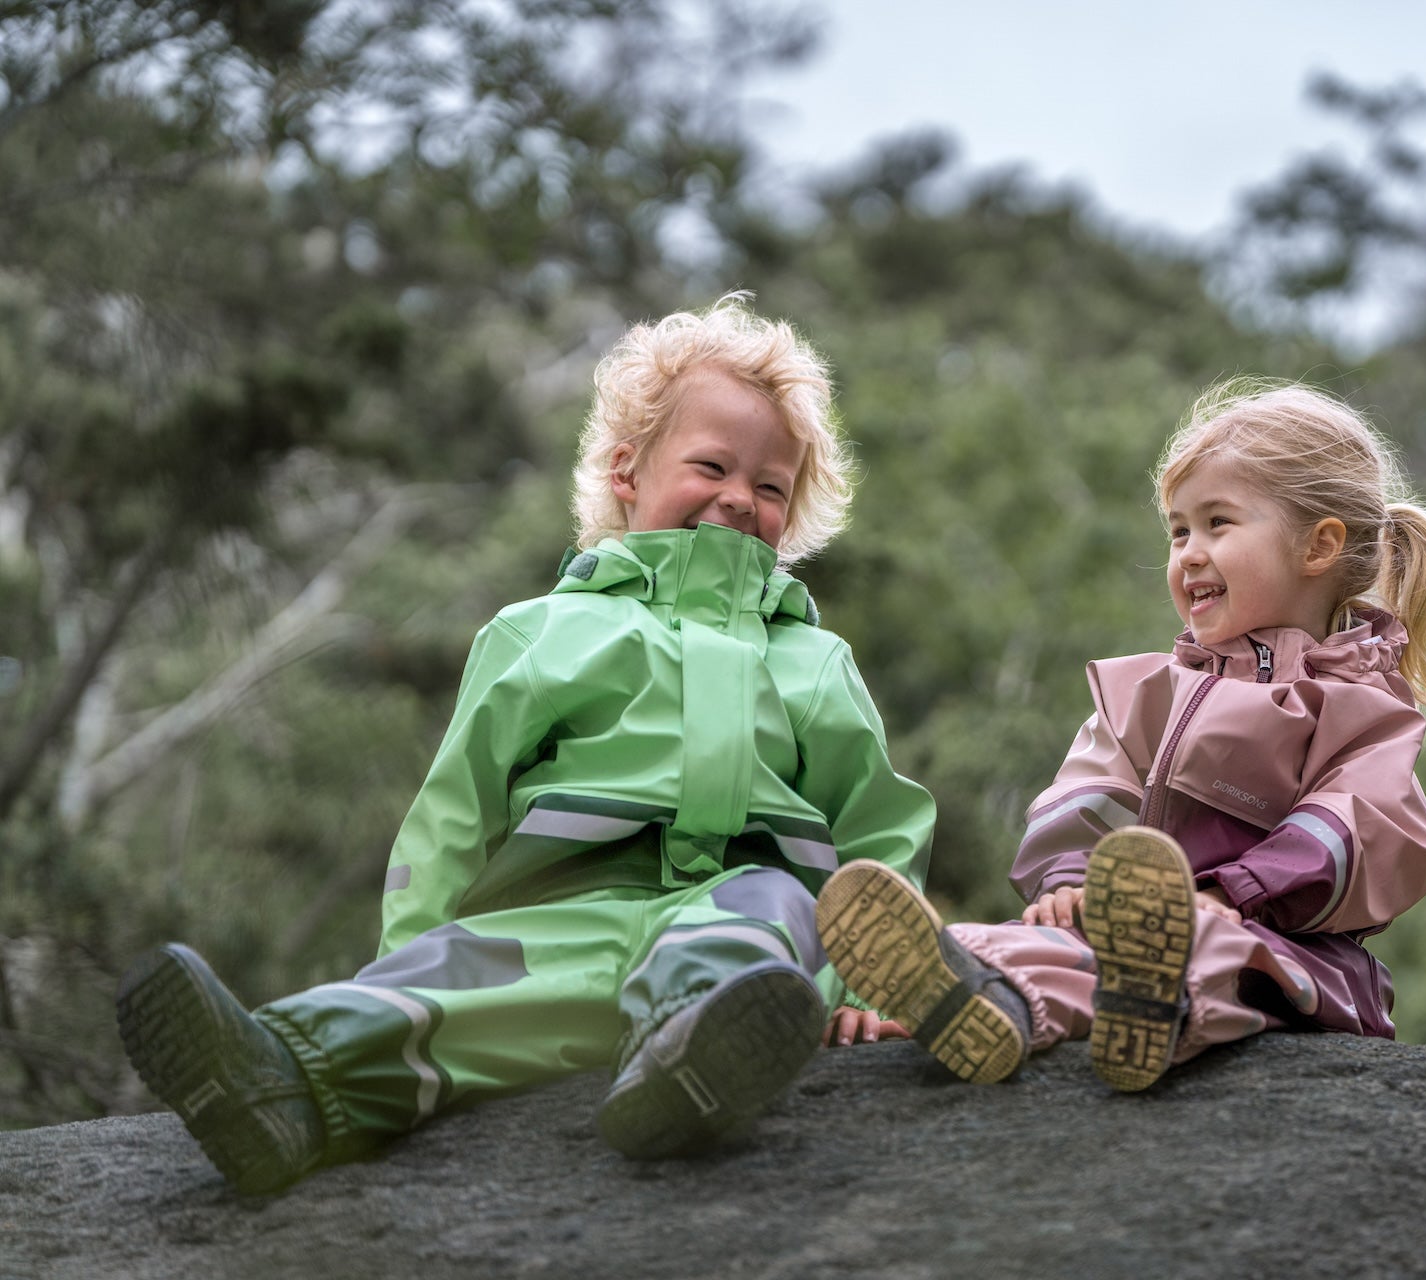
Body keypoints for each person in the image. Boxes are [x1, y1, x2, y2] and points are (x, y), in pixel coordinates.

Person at [115, 296, 934, 1193]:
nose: (741, 497)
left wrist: (873, 989)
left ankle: (697, 1059)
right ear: (628, 470)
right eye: (712, 466)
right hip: (560, 915)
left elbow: (876, 831)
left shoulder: (813, 660)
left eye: (772, 486)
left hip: (740, 904)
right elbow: (455, 814)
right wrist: (411, 948)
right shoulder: (543, 633)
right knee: (452, 987)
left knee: (760, 911)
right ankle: (280, 1084)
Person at [816, 379, 1426, 1091]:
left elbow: (1362, 825)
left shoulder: (1359, 707)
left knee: (1204, 948)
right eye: (1178, 529)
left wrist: (1230, 893)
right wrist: (1069, 878)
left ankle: (1147, 1010)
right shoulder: (1149, 691)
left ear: (1319, 546)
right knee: (1024, 943)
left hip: (1284, 954)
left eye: (1218, 523)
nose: (1188, 552)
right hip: (1126, 931)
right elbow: (1091, 786)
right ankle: (970, 1000)